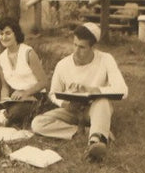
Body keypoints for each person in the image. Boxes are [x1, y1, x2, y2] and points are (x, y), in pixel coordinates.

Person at [31, 22, 128, 162]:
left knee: (103, 102)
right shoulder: (63, 64)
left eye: (82, 47)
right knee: (38, 123)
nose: (76, 51)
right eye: (74, 45)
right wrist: (64, 104)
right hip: (72, 110)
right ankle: (84, 132)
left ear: (93, 47)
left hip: (94, 109)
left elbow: (122, 90)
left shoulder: (105, 59)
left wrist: (94, 90)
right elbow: (53, 93)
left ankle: (95, 142)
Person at [0, 17, 47, 128]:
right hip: (15, 98)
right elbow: (5, 87)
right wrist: (4, 102)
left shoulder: (28, 53)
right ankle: (2, 115)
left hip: (35, 96)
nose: (4, 37)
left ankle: (1, 115)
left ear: (15, 34)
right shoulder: (1, 59)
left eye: (8, 33)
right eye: (1, 34)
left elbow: (44, 82)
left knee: (17, 111)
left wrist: (25, 93)